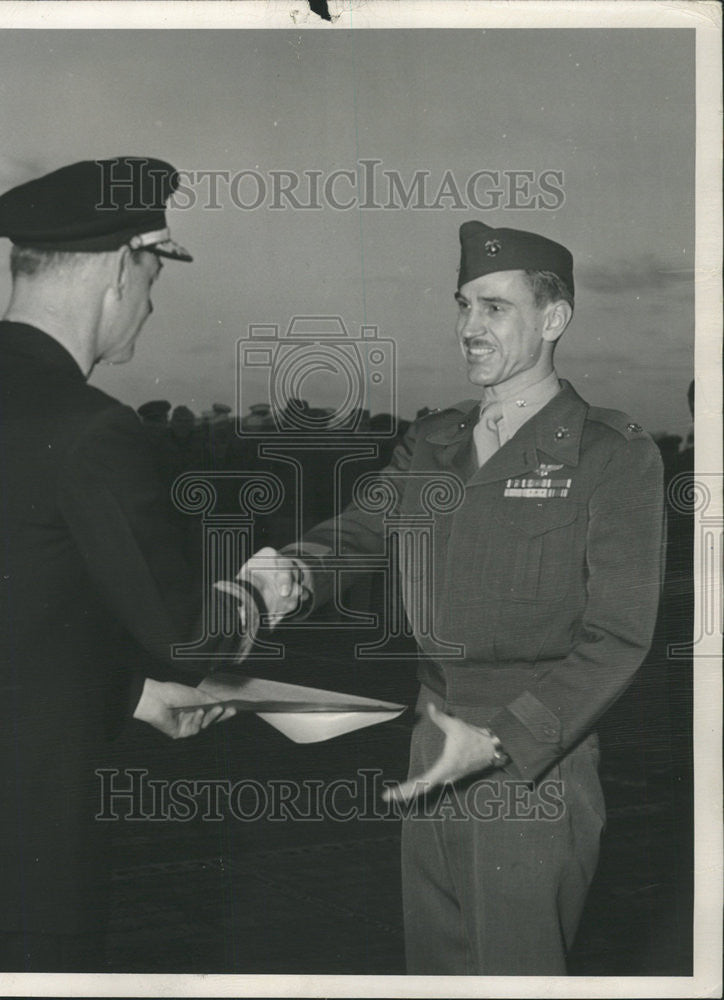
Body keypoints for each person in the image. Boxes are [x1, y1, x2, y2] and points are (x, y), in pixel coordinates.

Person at [241, 220, 665, 975]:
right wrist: (291, 572)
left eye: (494, 308)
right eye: (462, 305)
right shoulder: (433, 442)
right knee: (435, 970)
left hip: (531, 760)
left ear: (555, 319)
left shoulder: (609, 453)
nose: (468, 327)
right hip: (431, 739)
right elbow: (365, 528)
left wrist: (504, 740)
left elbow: (618, 637)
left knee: (515, 971)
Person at [0, 157, 238, 972]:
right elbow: (188, 639)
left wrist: (132, 696)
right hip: (24, 873)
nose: (147, 307)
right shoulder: (93, 432)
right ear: (119, 268)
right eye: (152, 279)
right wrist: (257, 592)